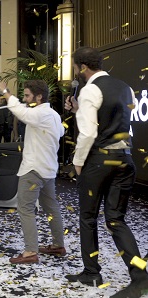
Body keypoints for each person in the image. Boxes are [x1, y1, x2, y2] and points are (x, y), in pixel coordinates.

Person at [64, 46, 148, 297]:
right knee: (116, 219)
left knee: (88, 217)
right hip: (125, 158)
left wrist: (78, 161)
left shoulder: (90, 88)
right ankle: (140, 276)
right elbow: (111, 120)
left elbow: (89, 133)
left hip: (99, 161)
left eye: (76, 67)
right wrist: (80, 111)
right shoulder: (123, 86)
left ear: (83, 67)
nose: (77, 72)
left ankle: (92, 273)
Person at [0, 80, 66, 264]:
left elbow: (21, 112)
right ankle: (58, 245)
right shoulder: (53, 114)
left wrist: (5, 91)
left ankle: (30, 252)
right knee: (51, 208)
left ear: (39, 96)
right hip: (48, 170)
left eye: (27, 95)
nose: (25, 99)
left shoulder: (40, 112)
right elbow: (60, 133)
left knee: (25, 209)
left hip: (34, 170)